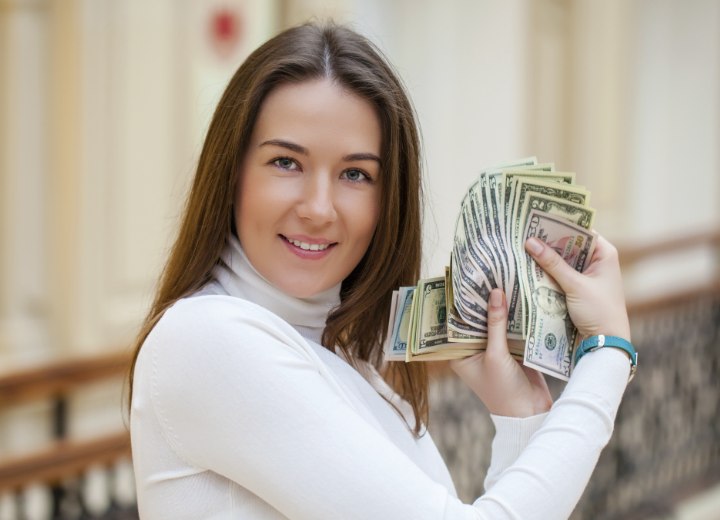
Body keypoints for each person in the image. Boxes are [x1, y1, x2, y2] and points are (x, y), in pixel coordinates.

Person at [128, 22, 635, 519]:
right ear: (231, 172)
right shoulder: (207, 339)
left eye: (355, 174)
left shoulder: (346, 359)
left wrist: (519, 417)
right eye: (286, 163)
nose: (319, 208)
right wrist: (608, 356)